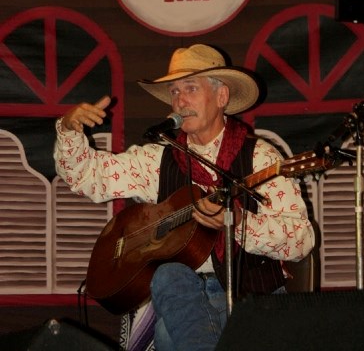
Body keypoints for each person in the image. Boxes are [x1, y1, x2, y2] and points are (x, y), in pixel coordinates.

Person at [54, 43, 315, 351]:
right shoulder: (158, 160)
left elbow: (301, 240)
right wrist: (69, 129)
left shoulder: (261, 158)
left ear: (222, 97)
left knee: (167, 336)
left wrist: (239, 222)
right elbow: (87, 177)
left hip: (251, 298)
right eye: (174, 92)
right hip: (180, 294)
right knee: (168, 275)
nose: (179, 100)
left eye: (190, 88)